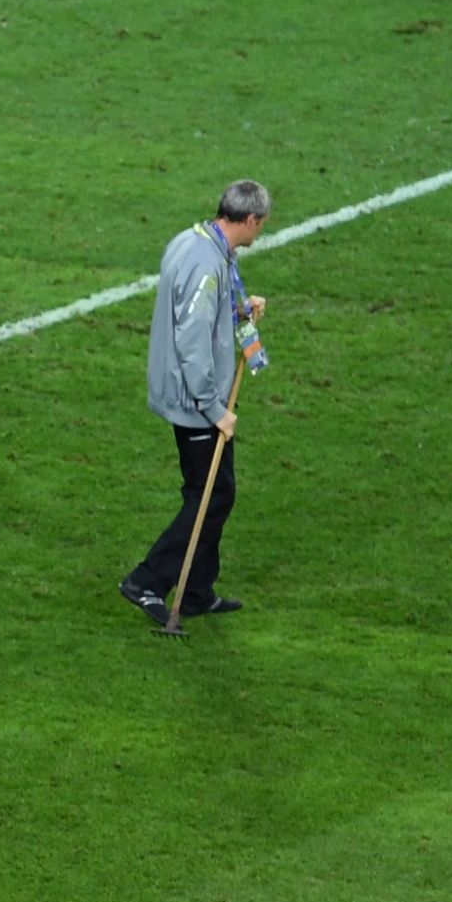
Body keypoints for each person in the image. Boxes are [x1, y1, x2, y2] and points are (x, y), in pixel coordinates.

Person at [120, 180, 272, 625]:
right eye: (260, 225)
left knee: (212, 492)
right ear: (250, 220)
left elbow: (194, 312)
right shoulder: (208, 264)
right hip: (194, 401)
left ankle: (198, 590)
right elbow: (192, 342)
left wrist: (240, 311)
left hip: (183, 393)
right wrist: (214, 408)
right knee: (211, 495)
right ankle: (147, 580)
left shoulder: (193, 242)